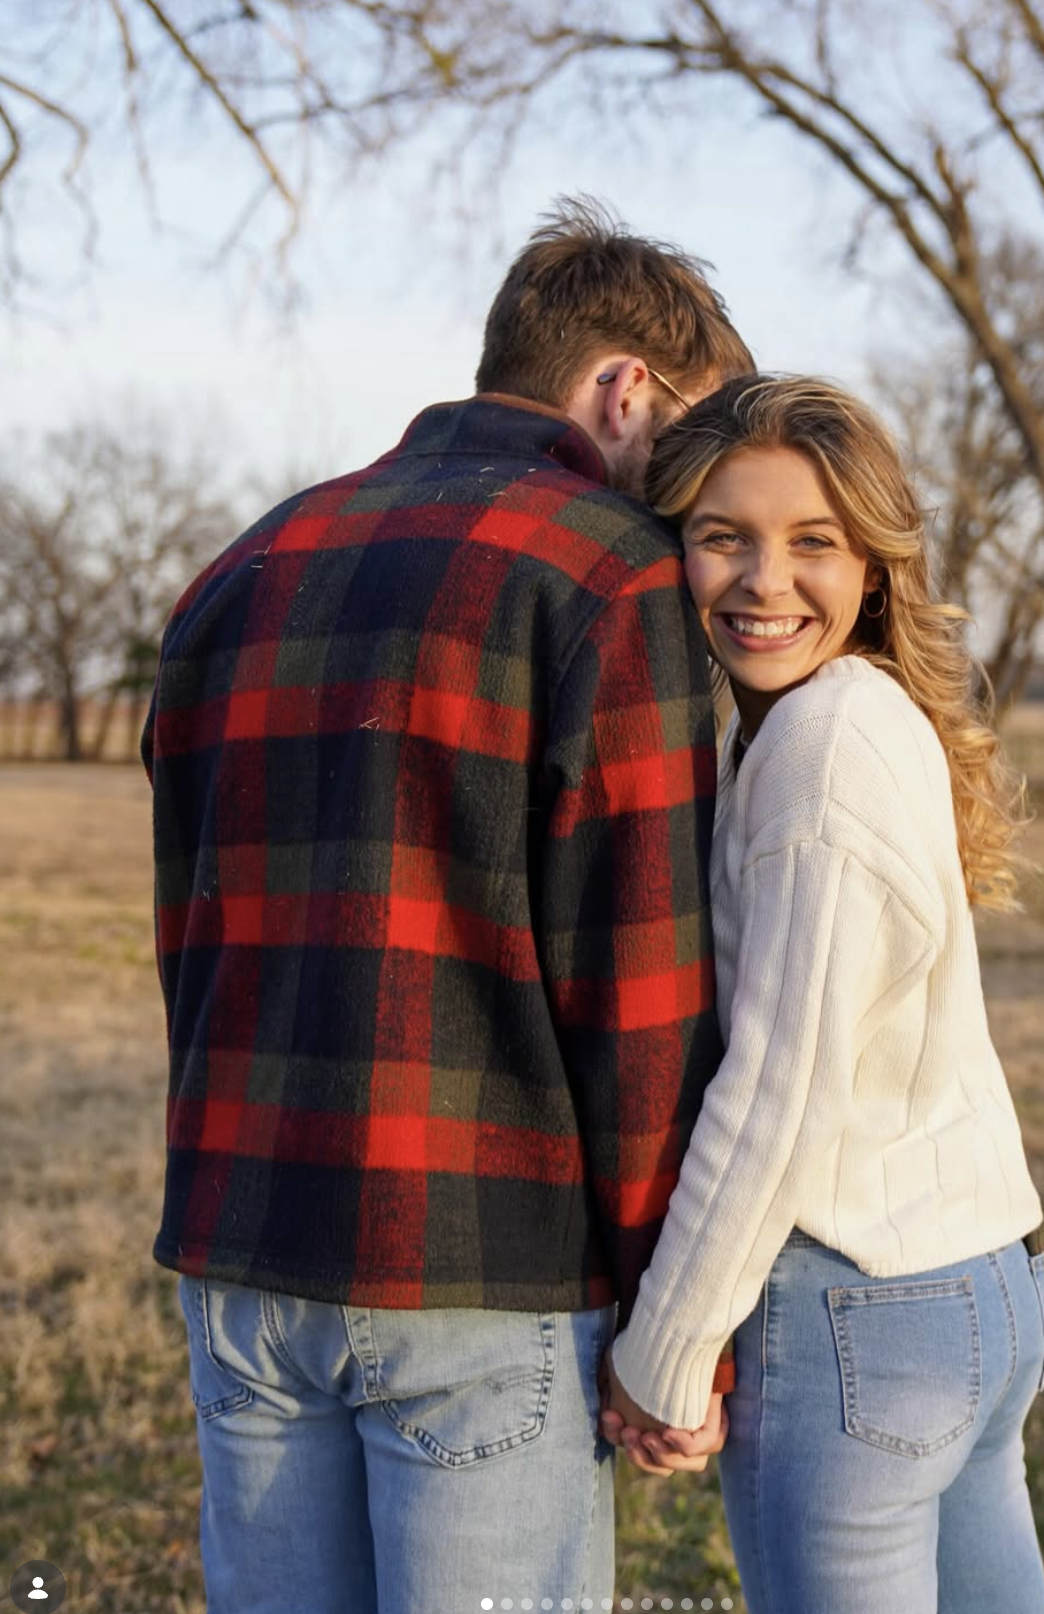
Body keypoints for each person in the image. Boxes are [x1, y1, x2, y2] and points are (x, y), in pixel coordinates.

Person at [140, 197, 753, 1614]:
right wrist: (685, 1344)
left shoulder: (238, 570)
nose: (701, 489)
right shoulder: (608, 575)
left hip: (242, 1255)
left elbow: (193, 941)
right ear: (622, 389)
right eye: (697, 432)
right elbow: (641, 1006)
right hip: (479, 1273)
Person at [601, 375, 1044, 1613]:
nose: (764, 581)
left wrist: (667, 1354)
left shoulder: (820, 751)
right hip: (980, 1291)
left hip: (861, 1315)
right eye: (721, 537)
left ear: (873, 562)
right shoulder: (852, 715)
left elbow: (777, 1098)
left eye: (812, 542)